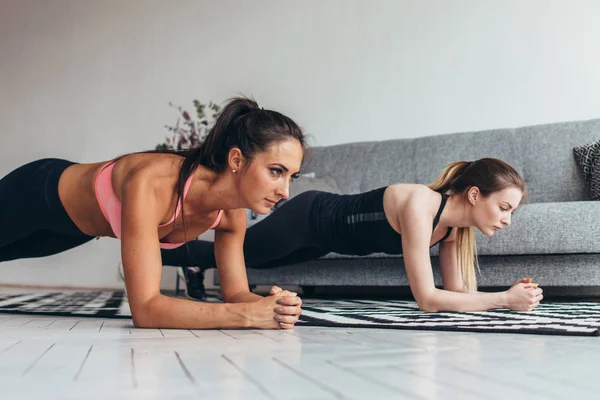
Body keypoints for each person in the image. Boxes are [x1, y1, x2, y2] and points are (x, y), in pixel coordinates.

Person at [0, 97, 306, 329]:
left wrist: (273, 306)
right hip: (40, 192)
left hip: (75, 230)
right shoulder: (154, 183)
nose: (285, 191)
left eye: (291, 176)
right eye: (276, 171)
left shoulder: (230, 216)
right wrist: (248, 316)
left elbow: (236, 293)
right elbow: (146, 309)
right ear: (237, 160)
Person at [164, 158, 544, 312]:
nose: (507, 220)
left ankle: (175, 260)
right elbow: (427, 298)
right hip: (309, 217)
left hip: (323, 242)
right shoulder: (420, 205)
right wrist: (503, 301)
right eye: (504, 208)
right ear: (475, 195)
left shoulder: (454, 229)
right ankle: (150, 249)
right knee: (235, 255)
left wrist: (513, 293)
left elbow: (457, 294)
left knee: (248, 261)